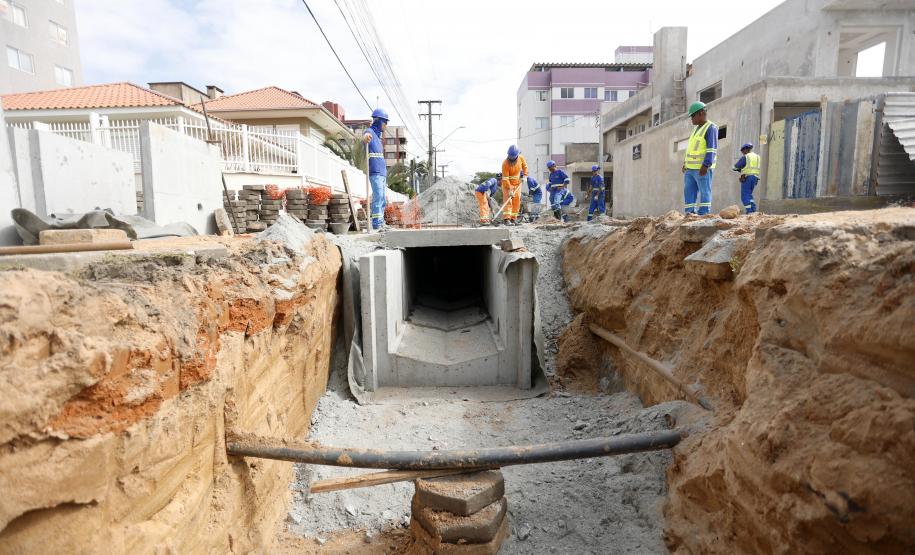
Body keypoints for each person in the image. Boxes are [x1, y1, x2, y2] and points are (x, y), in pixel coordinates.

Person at [682, 101, 718, 215]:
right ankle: (690, 213)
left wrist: (706, 165)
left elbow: (711, 149)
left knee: (704, 191)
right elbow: (691, 149)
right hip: (690, 169)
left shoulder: (711, 128)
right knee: (689, 191)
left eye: (693, 115)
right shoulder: (696, 129)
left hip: (702, 168)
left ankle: (703, 213)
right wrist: (685, 164)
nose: (691, 119)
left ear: (701, 113)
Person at [362, 108, 389, 230]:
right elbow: (365, 136)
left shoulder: (378, 138)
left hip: (382, 173)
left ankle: (381, 221)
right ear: (378, 121)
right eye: (385, 122)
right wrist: (366, 138)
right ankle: (376, 224)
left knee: (382, 198)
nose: (386, 126)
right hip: (375, 172)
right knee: (378, 196)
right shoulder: (370, 132)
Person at [500, 145, 528, 225]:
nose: (511, 159)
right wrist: (509, 189)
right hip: (507, 184)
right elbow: (505, 178)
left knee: (516, 201)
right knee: (508, 201)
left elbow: (525, 167)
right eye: (510, 157)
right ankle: (507, 219)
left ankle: (513, 219)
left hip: (517, 183)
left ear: (517, 155)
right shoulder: (505, 163)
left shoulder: (521, 158)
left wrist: (525, 176)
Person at [732, 143, 761, 213]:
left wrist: (740, 171)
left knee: (744, 196)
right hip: (755, 178)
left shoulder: (746, 157)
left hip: (747, 178)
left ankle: (749, 211)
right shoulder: (757, 157)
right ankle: (753, 210)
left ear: (745, 149)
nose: (742, 153)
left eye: (742, 151)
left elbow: (735, 167)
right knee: (749, 195)